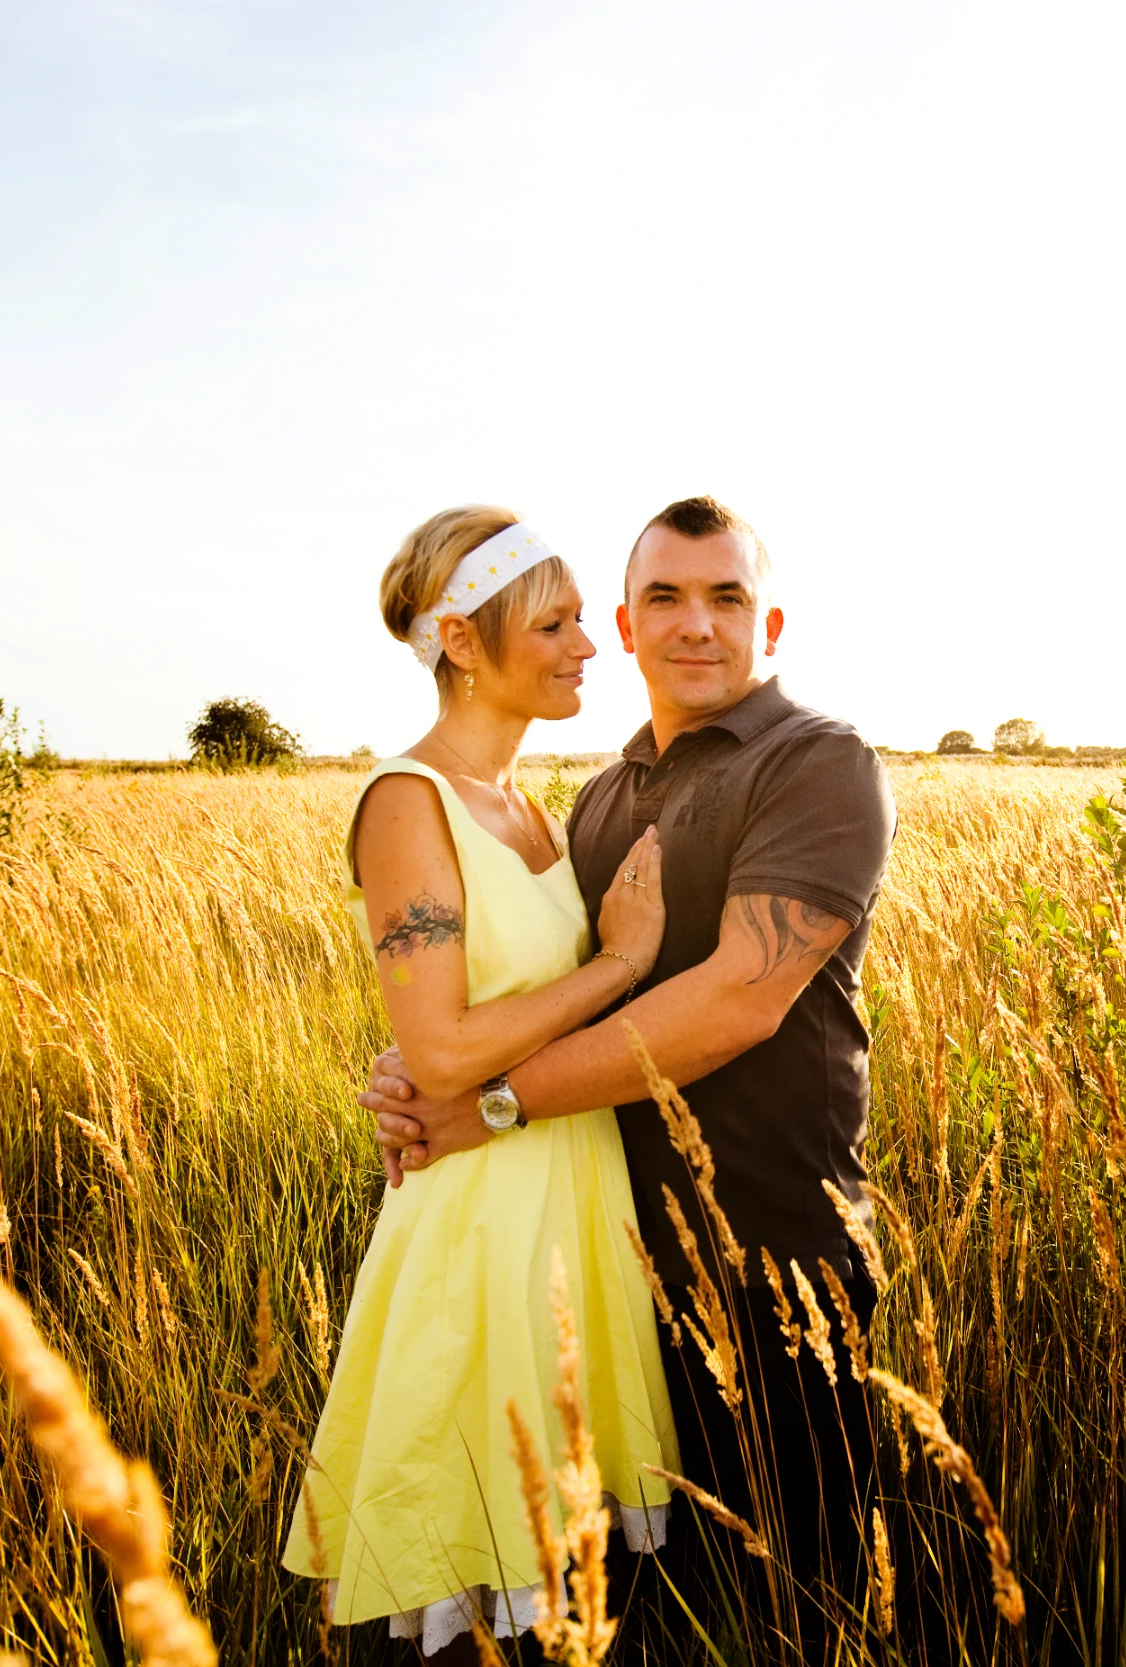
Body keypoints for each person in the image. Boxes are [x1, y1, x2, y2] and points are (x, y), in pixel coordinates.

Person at [361, 496, 898, 1645]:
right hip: (599, 1263)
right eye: (664, 597)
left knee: (794, 1604)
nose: (693, 624)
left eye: (726, 597)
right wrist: (421, 1070)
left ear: (773, 623)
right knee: (635, 1610)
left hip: (773, 1255)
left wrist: (483, 1103)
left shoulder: (818, 764)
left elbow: (740, 999)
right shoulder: (596, 800)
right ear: (628, 619)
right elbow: (514, 992)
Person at [285, 507, 682, 1657]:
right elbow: (448, 1048)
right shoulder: (409, 800)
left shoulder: (529, 806)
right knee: (471, 1530)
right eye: (553, 623)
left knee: (566, 1553)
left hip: (571, 1194)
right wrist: (619, 961)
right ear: (462, 640)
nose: (585, 646)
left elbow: (478, 1032)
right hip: (480, 1211)